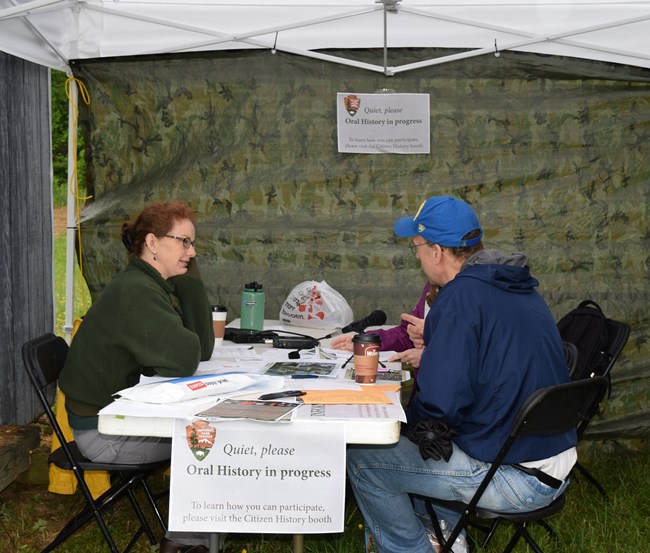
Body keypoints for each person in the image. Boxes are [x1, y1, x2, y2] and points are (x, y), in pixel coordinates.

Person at [346, 196, 575, 553]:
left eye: (417, 249)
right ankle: (447, 543)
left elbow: (439, 407)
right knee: (423, 446)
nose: (418, 258)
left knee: (365, 459)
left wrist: (404, 423)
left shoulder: (457, 298)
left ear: (437, 251)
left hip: (513, 476)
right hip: (552, 462)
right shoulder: (518, 288)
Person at [58, 200, 214, 553]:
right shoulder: (136, 292)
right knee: (209, 438)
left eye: (193, 243)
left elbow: (200, 349)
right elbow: (187, 358)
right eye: (185, 242)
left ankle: (194, 534)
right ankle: (186, 544)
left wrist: (187, 275)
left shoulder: (148, 283)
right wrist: (189, 276)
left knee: (209, 431)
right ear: (153, 243)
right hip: (102, 435)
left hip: (116, 419)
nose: (193, 251)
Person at [330, 282, 439, 369]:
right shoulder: (432, 287)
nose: (418, 257)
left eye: (420, 253)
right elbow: (406, 335)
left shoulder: (454, 294)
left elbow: (454, 351)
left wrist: (427, 357)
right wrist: (369, 341)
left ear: (437, 255)